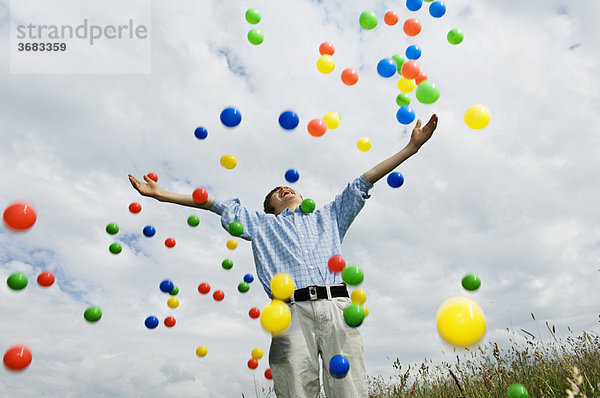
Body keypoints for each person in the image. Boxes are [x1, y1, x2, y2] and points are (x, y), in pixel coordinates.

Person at [128, 114, 438, 398]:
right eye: (276, 191)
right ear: (271, 207)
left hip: (336, 307)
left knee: (350, 389)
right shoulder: (260, 224)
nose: (283, 188)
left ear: (302, 197)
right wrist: (161, 194)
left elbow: (365, 180)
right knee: (294, 390)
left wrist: (411, 148)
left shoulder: (329, 216)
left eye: (288, 186)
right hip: (289, 313)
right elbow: (212, 203)